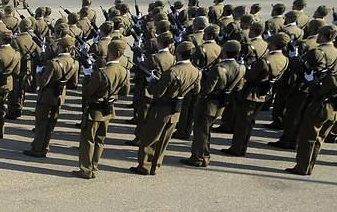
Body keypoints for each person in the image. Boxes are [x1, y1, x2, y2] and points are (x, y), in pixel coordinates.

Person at [287, 50, 337, 176]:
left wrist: (310, 81)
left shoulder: (335, 77)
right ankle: (309, 165)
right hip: (336, 111)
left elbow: (318, 92)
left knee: (308, 138)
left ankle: (302, 167)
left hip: (322, 109)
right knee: (319, 139)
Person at [131, 42, 200, 175]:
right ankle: (155, 165)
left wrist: (151, 81)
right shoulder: (196, 72)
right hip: (176, 109)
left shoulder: (172, 72)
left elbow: (157, 92)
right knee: (164, 140)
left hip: (161, 109)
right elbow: (196, 90)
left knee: (150, 138)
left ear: (178, 53)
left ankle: (144, 166)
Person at [181, 40, 245, 168]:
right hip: (221, 103)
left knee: (200, 131)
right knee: (207, 130)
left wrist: (202, 80)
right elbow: (239, 87)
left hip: (208, 103)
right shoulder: (240, 68)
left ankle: (198, 158)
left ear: (225, 51)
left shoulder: (219, 68)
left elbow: (206, 90)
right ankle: (205, 154)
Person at [225, 34, 288, 157]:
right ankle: (242, 146)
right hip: (265, 93)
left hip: (252, 93)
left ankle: (237, 148)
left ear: (274, 44)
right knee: (250, 121)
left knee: (242, 122)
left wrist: (246, 66)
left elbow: (250, 76)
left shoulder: (264, 61)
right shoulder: (285, 59)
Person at [77, 39, 130, 178]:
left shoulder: (102, 72)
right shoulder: (124, 71)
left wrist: (87, 75)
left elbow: (88, 91)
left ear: (110, 52)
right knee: (100, 139)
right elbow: (125, 92)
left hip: (95, 110)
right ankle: (94, 165)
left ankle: (86, 169)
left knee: (88, 140)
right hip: (109, 109)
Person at [23, 34, 78, 157]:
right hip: (59, 97)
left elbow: (42, 83)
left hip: (46, 96)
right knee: (51, 124)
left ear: (61, 47)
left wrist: (38, 72)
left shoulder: (54, 63)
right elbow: (74, 84)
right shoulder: (75, 63)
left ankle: (37, 149)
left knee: (41, 123)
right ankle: (45, 146)